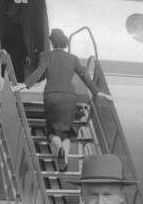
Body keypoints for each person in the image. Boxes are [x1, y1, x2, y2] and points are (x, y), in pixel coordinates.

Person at [17, 28, 104, 171]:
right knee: (66, 134)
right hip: (69, 97)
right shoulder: (73, 58)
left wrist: (25, 84)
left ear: (51, 42)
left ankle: (59, 150)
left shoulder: (46, 55)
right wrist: (97, 92)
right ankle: (64, 155)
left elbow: (39, 71)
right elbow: (85, 77)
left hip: (52, 95)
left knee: (52, 132)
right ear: (64, 43)